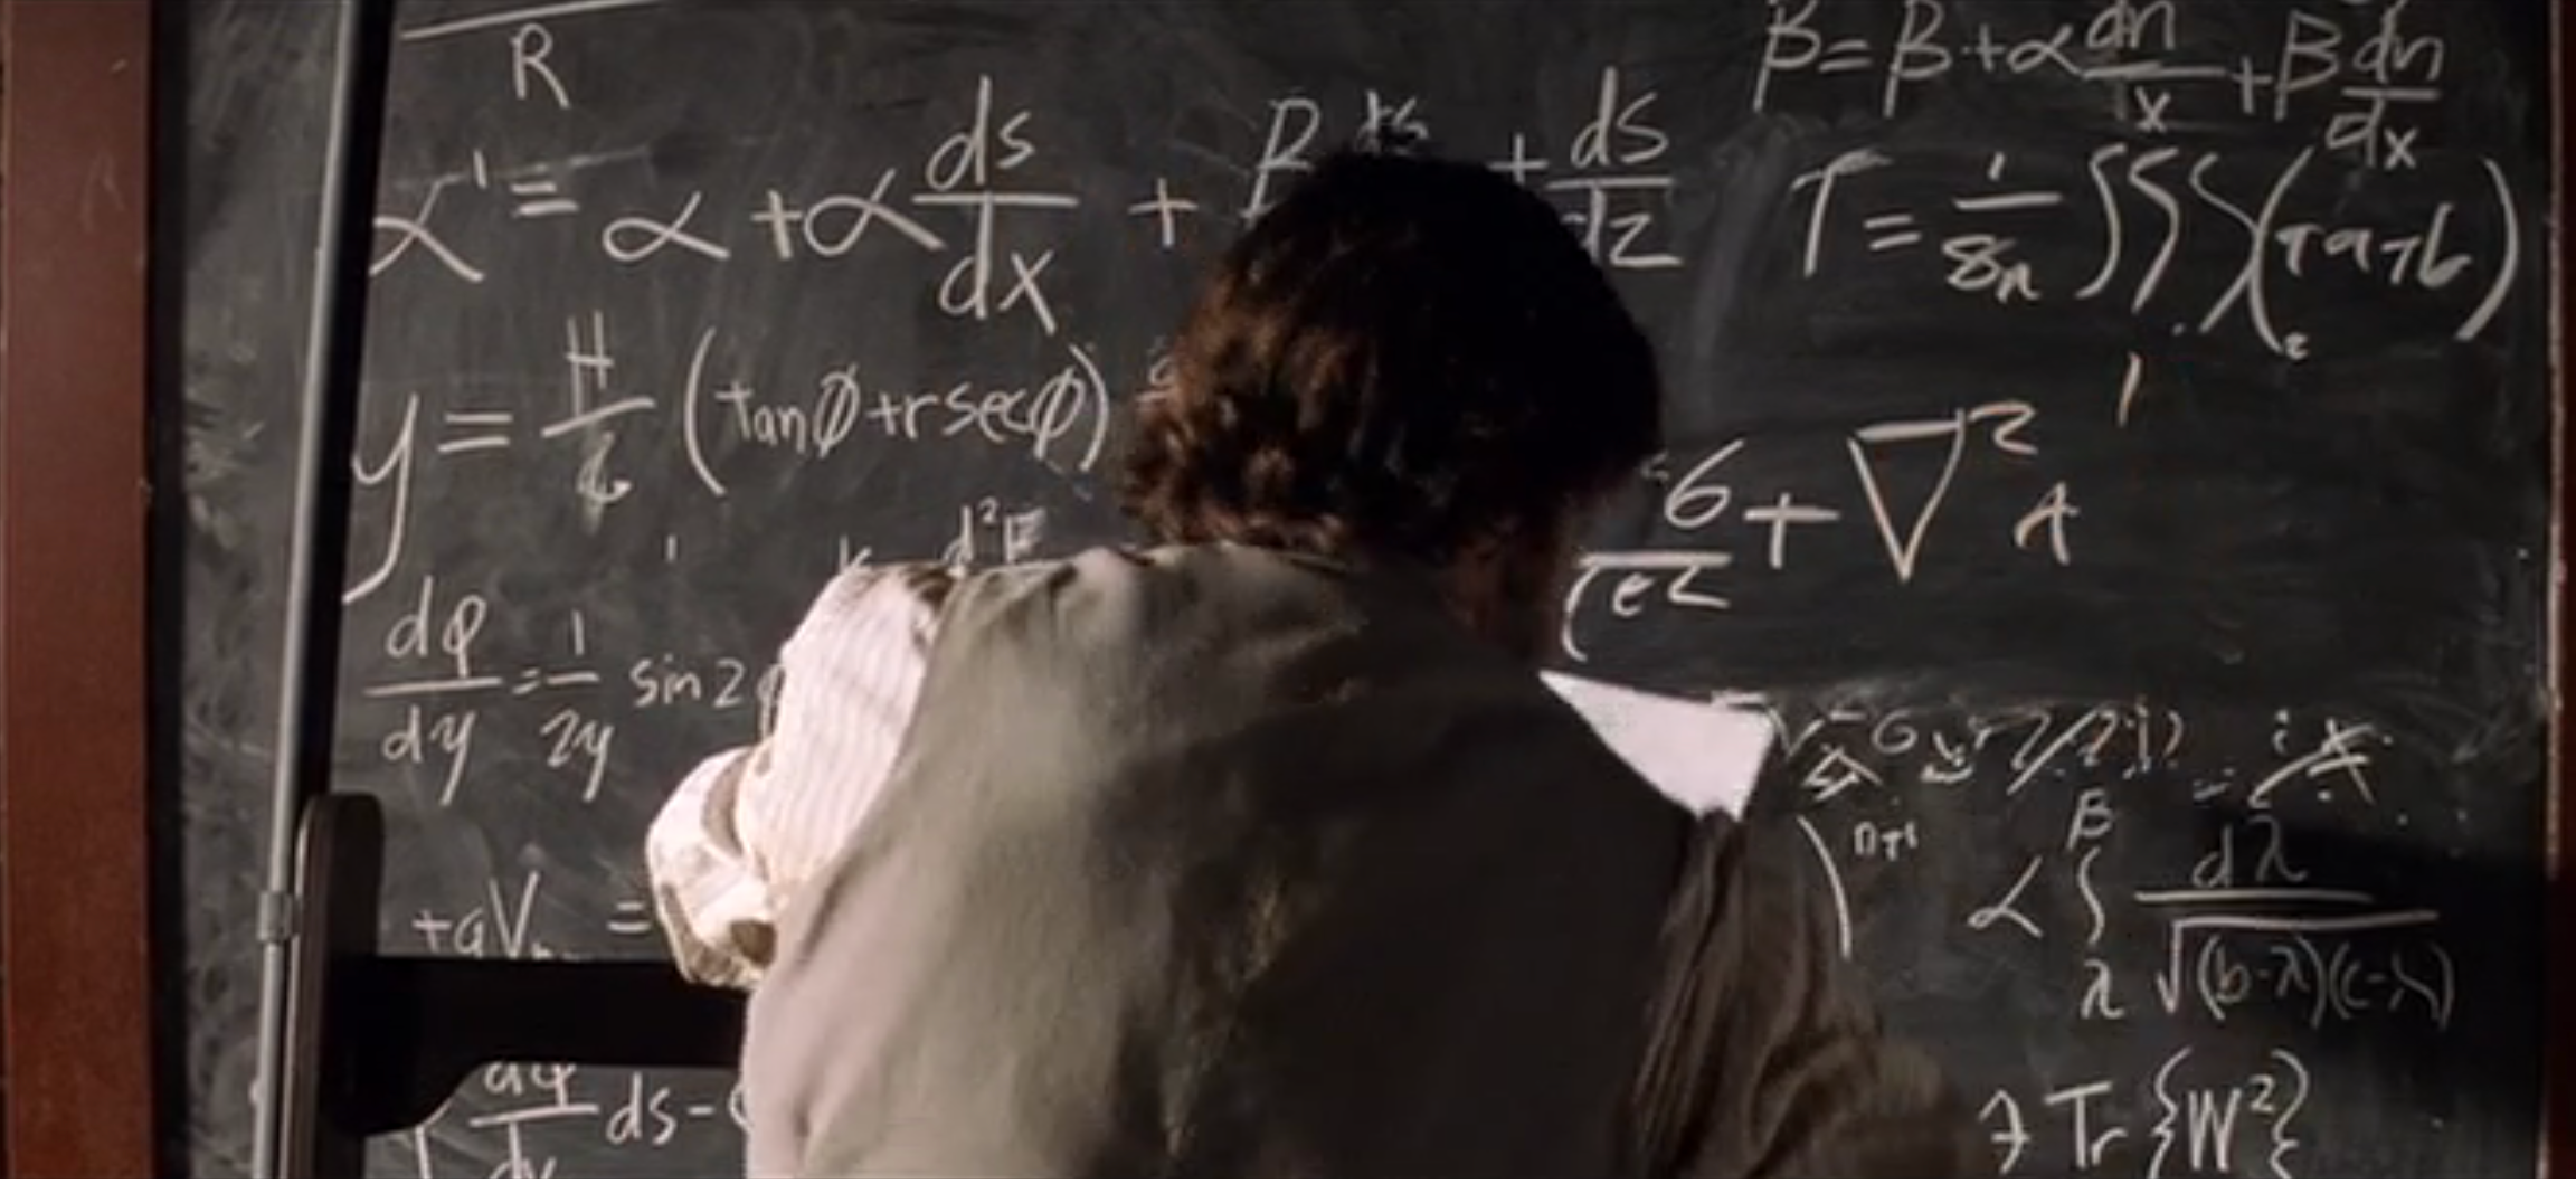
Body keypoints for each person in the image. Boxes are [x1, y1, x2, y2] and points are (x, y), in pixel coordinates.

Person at [647, 147, 1982, 1179]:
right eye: (1574, 534)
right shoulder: (1676, 894)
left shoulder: (902, 667)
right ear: (1511, 524)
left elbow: (706, 870)